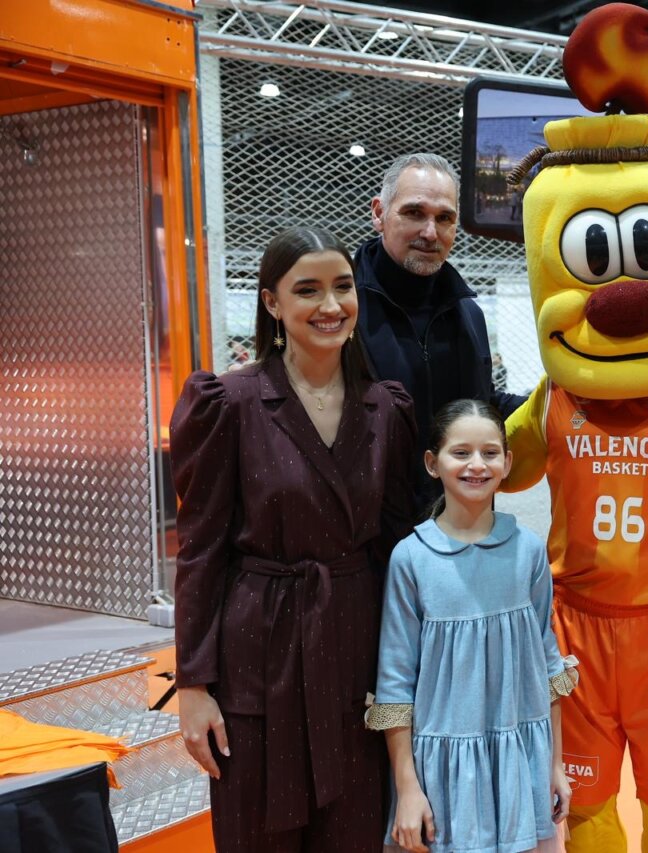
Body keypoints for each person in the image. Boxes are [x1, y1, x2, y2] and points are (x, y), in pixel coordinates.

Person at [170, 226, 416, 851]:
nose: (331, 306)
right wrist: (194, 686)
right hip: (259, 648)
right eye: (307, 290)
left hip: (357, 641)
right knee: (258, 831)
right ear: (272, 303)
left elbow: (396, 544)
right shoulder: (230, 402)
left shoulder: (384, 409)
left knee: (354, 828)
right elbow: (200, 547)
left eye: (342, 287)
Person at [367, 399, 577, 853]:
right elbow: (395, 680)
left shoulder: (527, 550)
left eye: (489, 453)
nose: (476, 465)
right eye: (460, 453)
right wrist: (407, 787)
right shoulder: (412, 558)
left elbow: (547, 664)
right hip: (443, 773)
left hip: (522, 759)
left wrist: (556, 765)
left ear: (507, 462)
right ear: (432, 463)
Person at [353, 152, 525, 516]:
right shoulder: (341, 309)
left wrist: (556, 403)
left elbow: (480, 402)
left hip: (460, 531)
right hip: (369, 541)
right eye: (414, 213)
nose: (430, 232)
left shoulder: (468, 313)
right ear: (378, 213)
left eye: (444, 218)